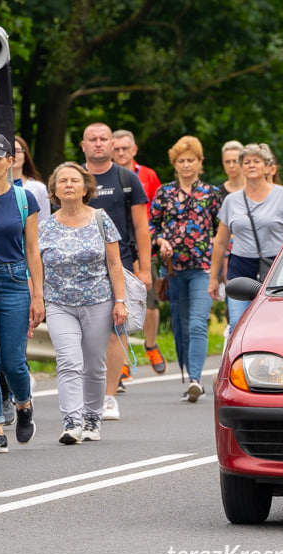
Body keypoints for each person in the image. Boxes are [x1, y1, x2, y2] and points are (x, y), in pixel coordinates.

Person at [40, 162, 127, 444]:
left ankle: (92, 417)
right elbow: (35, 265)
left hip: (98, 302)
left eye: (74, 180)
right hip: (58, 304)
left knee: (94, 365)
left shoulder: (100, 219)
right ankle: (71, 422)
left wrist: (120, 301)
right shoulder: (45, 226)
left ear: (86, 187)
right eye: (62, 180)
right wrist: (36, 300)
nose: (68, 184)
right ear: (54, 189)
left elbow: (115, 264)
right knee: (68, 362)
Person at [0, 134, 42, 455]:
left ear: (8, 162)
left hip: (15, 279)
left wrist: (38, 294)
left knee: (13, 361)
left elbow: (32, 249)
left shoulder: (24, 198)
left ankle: (24, 404)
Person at [81, 123, 151, 421]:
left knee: (113, 334)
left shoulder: (126, 178)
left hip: (117, 265)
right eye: (92, 139)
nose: (98, 144)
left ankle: (109, 396)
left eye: (103, 139)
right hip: (79, 268)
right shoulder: (73, 178)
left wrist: (145, 269)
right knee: (82, 336)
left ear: (112, 145)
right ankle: (85, 396)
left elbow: (141, 227)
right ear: (83, 145)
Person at [151, 136, 222, 402]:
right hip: (173, 269)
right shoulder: (164, 193)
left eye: (191, 160)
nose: (186, 165)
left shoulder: (211, 194)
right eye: (181, 161)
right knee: (180, 326)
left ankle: (195, 379)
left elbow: (222, 229)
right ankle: (188, 372)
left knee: (197, 324)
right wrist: (161, 241)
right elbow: (152, 227)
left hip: (203, 267)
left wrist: (215, 246)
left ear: (200, 162)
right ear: (174, 164)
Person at [208, 143, 283, 334]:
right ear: (241, 168)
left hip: (275, 265)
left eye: (256, 161)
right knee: (237, 324)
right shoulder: (231, 201)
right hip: (240, 266)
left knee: (276, 323)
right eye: (247, 162)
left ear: (267, 167)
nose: (251, 165)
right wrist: (213, 278)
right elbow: (220, 241)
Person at [112, 129, 165, 376]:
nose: (121, 153)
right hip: (117, 248)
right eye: (117, 148)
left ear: (134, 150)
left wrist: (156, 239)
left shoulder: (147, 175)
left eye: (125, 148)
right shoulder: (104, 177)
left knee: (149, 301)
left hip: (144, 245)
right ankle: (121, 362)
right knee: (118, 303)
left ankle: (151, 344)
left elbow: (158, 211)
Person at [12, 135, 52, 227]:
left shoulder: (38, 188)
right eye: (9, 151)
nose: (13, 155)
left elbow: (44, 223)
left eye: (17, 151)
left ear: (25, 155)